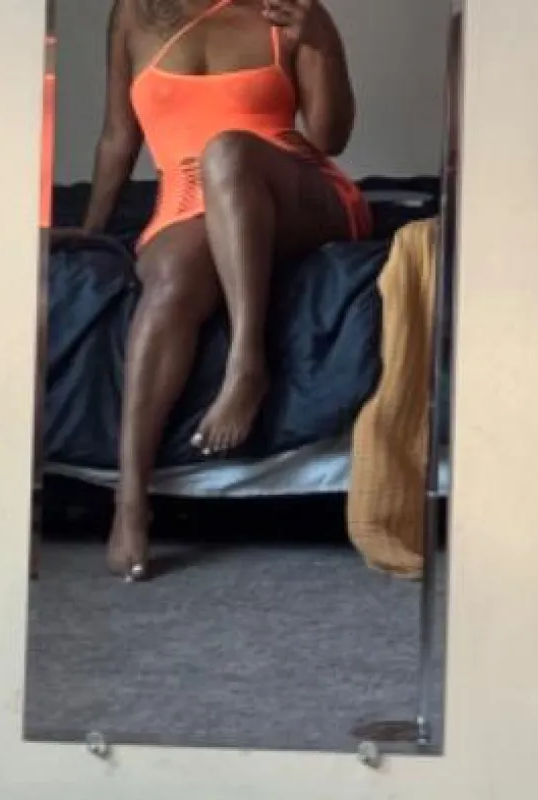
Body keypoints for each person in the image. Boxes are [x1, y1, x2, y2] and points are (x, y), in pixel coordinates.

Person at [72, 0, 371, 580]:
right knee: (170, 284)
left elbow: (330, 137)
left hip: (293, 189)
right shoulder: (135, 11)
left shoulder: (285, 8)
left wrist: (322, 42)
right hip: (185, 200)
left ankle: (247, 363)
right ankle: (130, 500)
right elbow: (117, 136)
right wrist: (91, 234)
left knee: (227, 150)